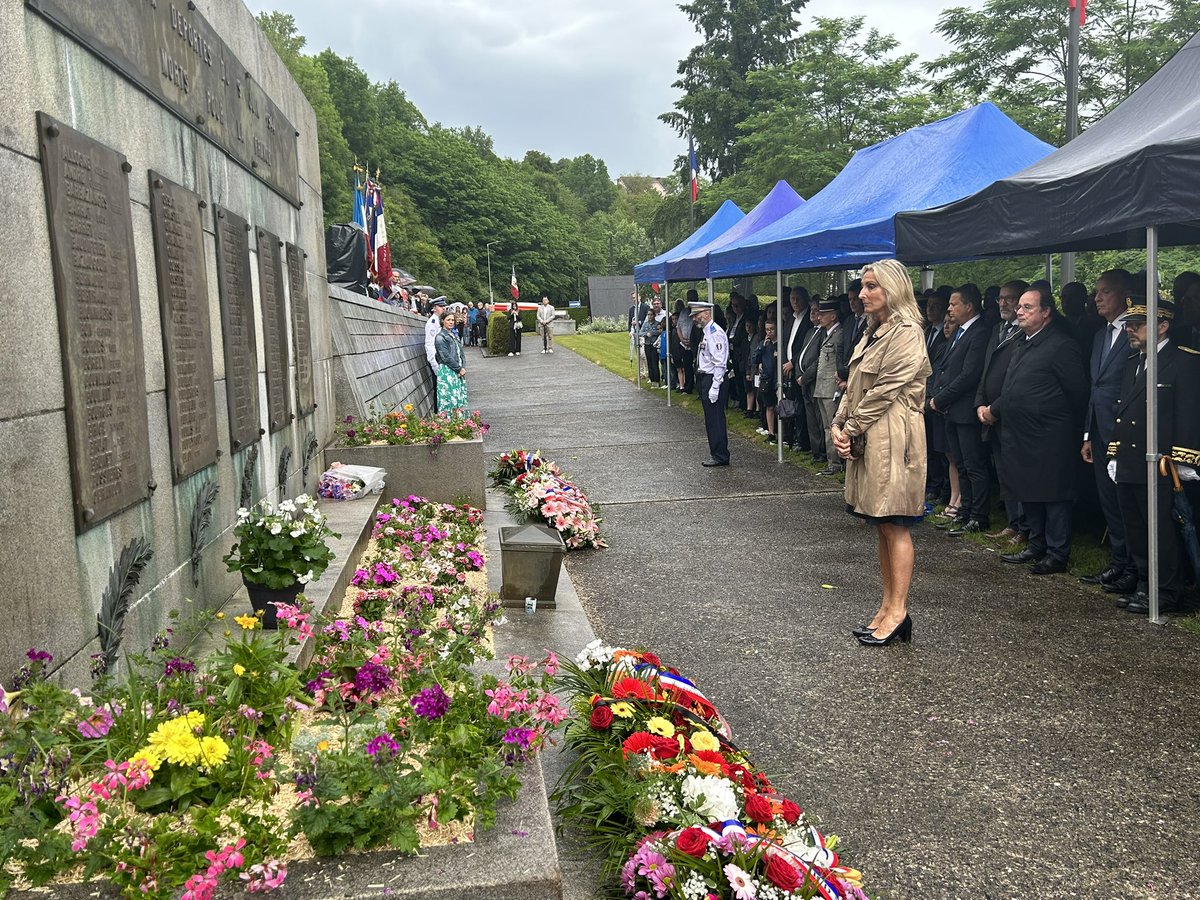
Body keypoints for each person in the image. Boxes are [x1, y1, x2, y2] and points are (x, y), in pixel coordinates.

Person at [832, 259, 931, 647]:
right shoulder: (872, 331)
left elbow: (885, 390)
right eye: (862, 286)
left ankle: (899, 610)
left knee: (897, 523)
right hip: (871, 436)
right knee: (881, 524)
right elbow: (855, 385)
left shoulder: (907, 332)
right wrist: (837, 425)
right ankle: (886, 606)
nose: (862, 293)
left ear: (893, 288)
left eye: (871, 286)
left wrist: (850, 427)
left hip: (895, 438)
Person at [1109, 298, 1200, 615]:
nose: (1130, 330)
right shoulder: (1135, 361)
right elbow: (1123, 411)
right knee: (1136, 528)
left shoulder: (1184, 362)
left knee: (1162, 531)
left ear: (1162, 326)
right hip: (1132, 459)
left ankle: (1167, 592)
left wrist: (1184, 459)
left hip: (1161, 462)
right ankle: (1146, 585)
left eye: (1137, 325)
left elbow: (1188, 414)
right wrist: (1114, 452)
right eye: (1129, 325)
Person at [991, 285, 1088, 575]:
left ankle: (1057, 552)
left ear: (1046, 312)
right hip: (1020, 433)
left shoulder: (1061, 345)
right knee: (1027, 489)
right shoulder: (1021, 342)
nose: (1019, 312)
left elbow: (1078, 393)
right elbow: (1011, 386)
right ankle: (1036, 544)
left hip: (1050, 435)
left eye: (1027, 307)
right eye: (1019, 307)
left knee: (1053, 494)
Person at [1079, 269, 1136, 594]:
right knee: (1109, 500)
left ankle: (1133, 566)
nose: (1097, 298)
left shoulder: (1135, 329)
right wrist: (1087, 433)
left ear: (1124, 294)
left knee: (1127, 501)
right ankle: (1118, 562)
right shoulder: (1101, 334)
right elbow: (1095, 386)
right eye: (1096, 292)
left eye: (1105, 292)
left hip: (1125, 429)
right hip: (1099, 430)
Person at [929, 284, 990, 535]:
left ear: (969, 306)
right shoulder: (959, 333)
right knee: (961, 464)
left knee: (974, 464)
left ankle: (979, 514)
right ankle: (964, 510)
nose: (950, 309)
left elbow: (968, 375)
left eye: (954, 304)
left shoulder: (979, 332)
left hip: (965, 409)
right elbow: (945, 366)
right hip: (951, 410)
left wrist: (940, 399)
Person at [975, 280, 1029, 545]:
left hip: (1011, 413)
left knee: (1018, 471)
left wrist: (995, 408)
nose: (1003, 304)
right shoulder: (998, 329)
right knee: (1003, 470)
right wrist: (979, 403)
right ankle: (1013, 521)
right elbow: (987, 370)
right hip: (989, 413)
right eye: (1000, 298)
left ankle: (1024, 525)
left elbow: (1015, 377)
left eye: (1009, 299)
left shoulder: (1025, 333)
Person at [690, 300, 730, 467]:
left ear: (706, 314)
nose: (695, 319)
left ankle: (720, 455)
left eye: (697, 315)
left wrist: (715, 386)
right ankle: (717, 452)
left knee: (715, 419)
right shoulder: (706, 332)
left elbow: (720, 362)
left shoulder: (714, 333)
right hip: (706, 377)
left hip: (713, 378)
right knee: (711, 419)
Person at [813, 298, 845, 473]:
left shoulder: (839, 334)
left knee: (833, 426)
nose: (819, 317)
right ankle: (831, 462)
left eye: (823, 314)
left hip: (831, 387)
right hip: (822, 386)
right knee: (826, 427)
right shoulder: (826, 334)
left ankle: (836, 463)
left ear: (833, 316)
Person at [433, 310, 468, 416]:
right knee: (449, 399)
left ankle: (461, 424)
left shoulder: (454, 335)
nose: (451, 322)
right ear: (442, 321)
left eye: (453, 320)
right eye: (448, 320)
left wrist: (462, 368)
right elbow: (445, 357)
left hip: (457, 370)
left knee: (459, 398)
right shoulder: (440, 337)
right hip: (447, 371)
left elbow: (461, 353)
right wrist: (458, 369)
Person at [424, 296, 447, 411]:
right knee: (438, 389)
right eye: (440, 306)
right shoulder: (432, 323)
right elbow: (429, 345)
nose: (443, 308)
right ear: (434, 308)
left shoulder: (438, 321)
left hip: (441, 358)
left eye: (444, 306)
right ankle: (438, 414)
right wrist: (434, 364)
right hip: (436, 359)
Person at [639, 302, 664, 386]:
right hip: (647, 344)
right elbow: (640, 332)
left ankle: (657, 380)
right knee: (649, 362)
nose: (650, 316)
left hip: (654, 345)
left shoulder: (657, 323)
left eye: (651, 315)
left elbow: (660, 331)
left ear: (654, 315)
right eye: (648, 315)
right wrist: (646, 334)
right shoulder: (645, 324)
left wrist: (652, 332)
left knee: (654, 363)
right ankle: (652, 379)